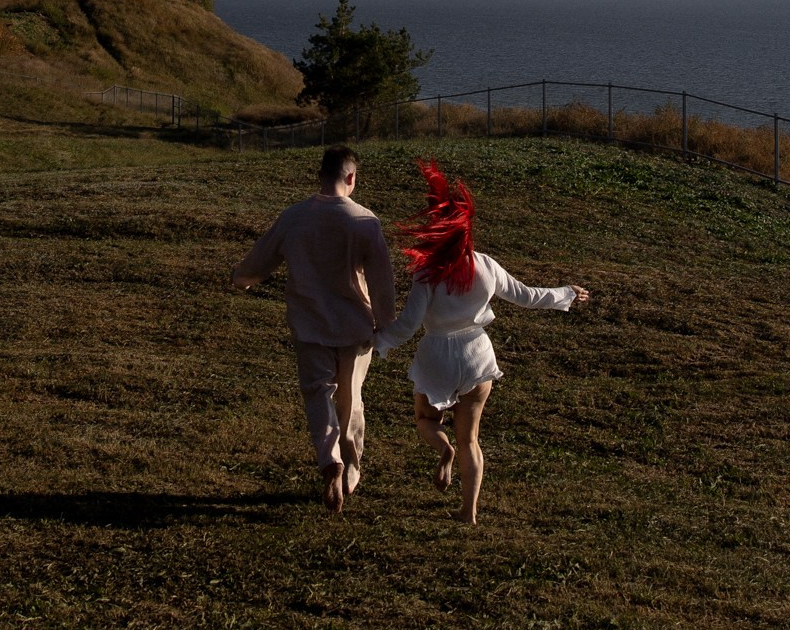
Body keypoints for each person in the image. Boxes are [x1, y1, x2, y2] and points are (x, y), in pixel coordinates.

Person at [373, 159, 589, 524]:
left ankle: (443, 451)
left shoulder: (427, 274)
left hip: (436, 355)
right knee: (470, 439)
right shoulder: (487, 266)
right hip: (477, 355)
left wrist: (376, 341)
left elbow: (408, 326)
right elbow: (528, 295)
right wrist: (566, 292)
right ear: (466, 232)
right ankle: (468, 512)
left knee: (427, 419)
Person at [230, 144, 398, 512]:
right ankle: (351, 466)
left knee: (317, 394)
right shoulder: (364, 221)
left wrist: (242, 278)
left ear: (319, 175)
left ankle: (329, 459)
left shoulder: (294, 217)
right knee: (350, 398)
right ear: (351, 177)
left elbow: (263, 258)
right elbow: (382, 282)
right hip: (355, 328)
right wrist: (388, 325)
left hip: (309, 326)